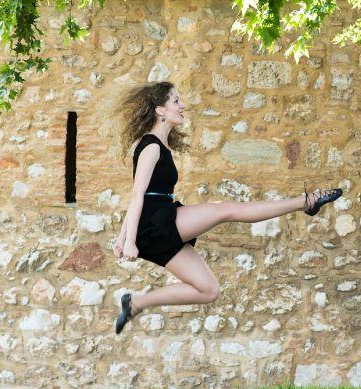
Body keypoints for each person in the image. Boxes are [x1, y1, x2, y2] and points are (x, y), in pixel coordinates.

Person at [113, 82, 343, 334]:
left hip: (157, 225)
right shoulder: (151, 146)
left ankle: (136, 302)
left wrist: (123, 236)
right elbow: (137, 196)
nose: (183, 106)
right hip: (154, 222)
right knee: (226, 208)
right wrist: (129, 240)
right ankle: (306, 201)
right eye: (176, 101)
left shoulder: (159, 144)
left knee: (209, 290)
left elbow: (138, 195)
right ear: (160, 110)